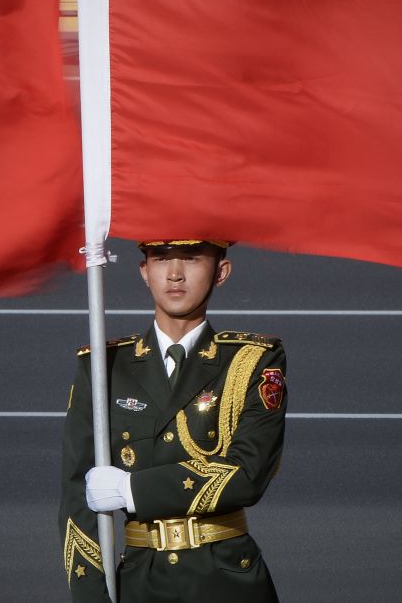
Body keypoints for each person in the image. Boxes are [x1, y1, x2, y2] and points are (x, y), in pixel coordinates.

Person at [59, 239, 287, 602]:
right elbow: (76, 496)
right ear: (144, 272)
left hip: (226, 580)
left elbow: (248, 474)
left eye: (193, 259)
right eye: (162, 260)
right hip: (140, 581)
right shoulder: (103, 366)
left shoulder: (251, 361)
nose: (176, 274)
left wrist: (130, 490)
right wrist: (92, 597)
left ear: (221, 273)